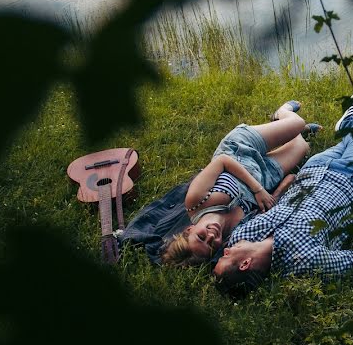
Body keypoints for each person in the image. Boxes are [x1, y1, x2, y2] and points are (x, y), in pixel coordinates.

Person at [213, 92, 353, 296]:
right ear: (245, 264)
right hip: (349, 180)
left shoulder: (242, 235)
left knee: (350, 141)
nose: (225, 250)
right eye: (225, 257)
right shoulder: (303, 261)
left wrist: (284, 185)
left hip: (312, 170)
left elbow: (266, 209)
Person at [121, 101, 316, 266]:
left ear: (189, 230)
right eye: (212, 245)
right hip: (266, 175)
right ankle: (297, 134)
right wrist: (277, 191)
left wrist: (257, 190)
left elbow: (222, 160)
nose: (212, 236)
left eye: (201, 237)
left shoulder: (196, 202)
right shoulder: (235, 233)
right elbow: (271, 204)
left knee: (296, 122)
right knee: (302, 146)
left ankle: (281, 113)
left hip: (240, 151)